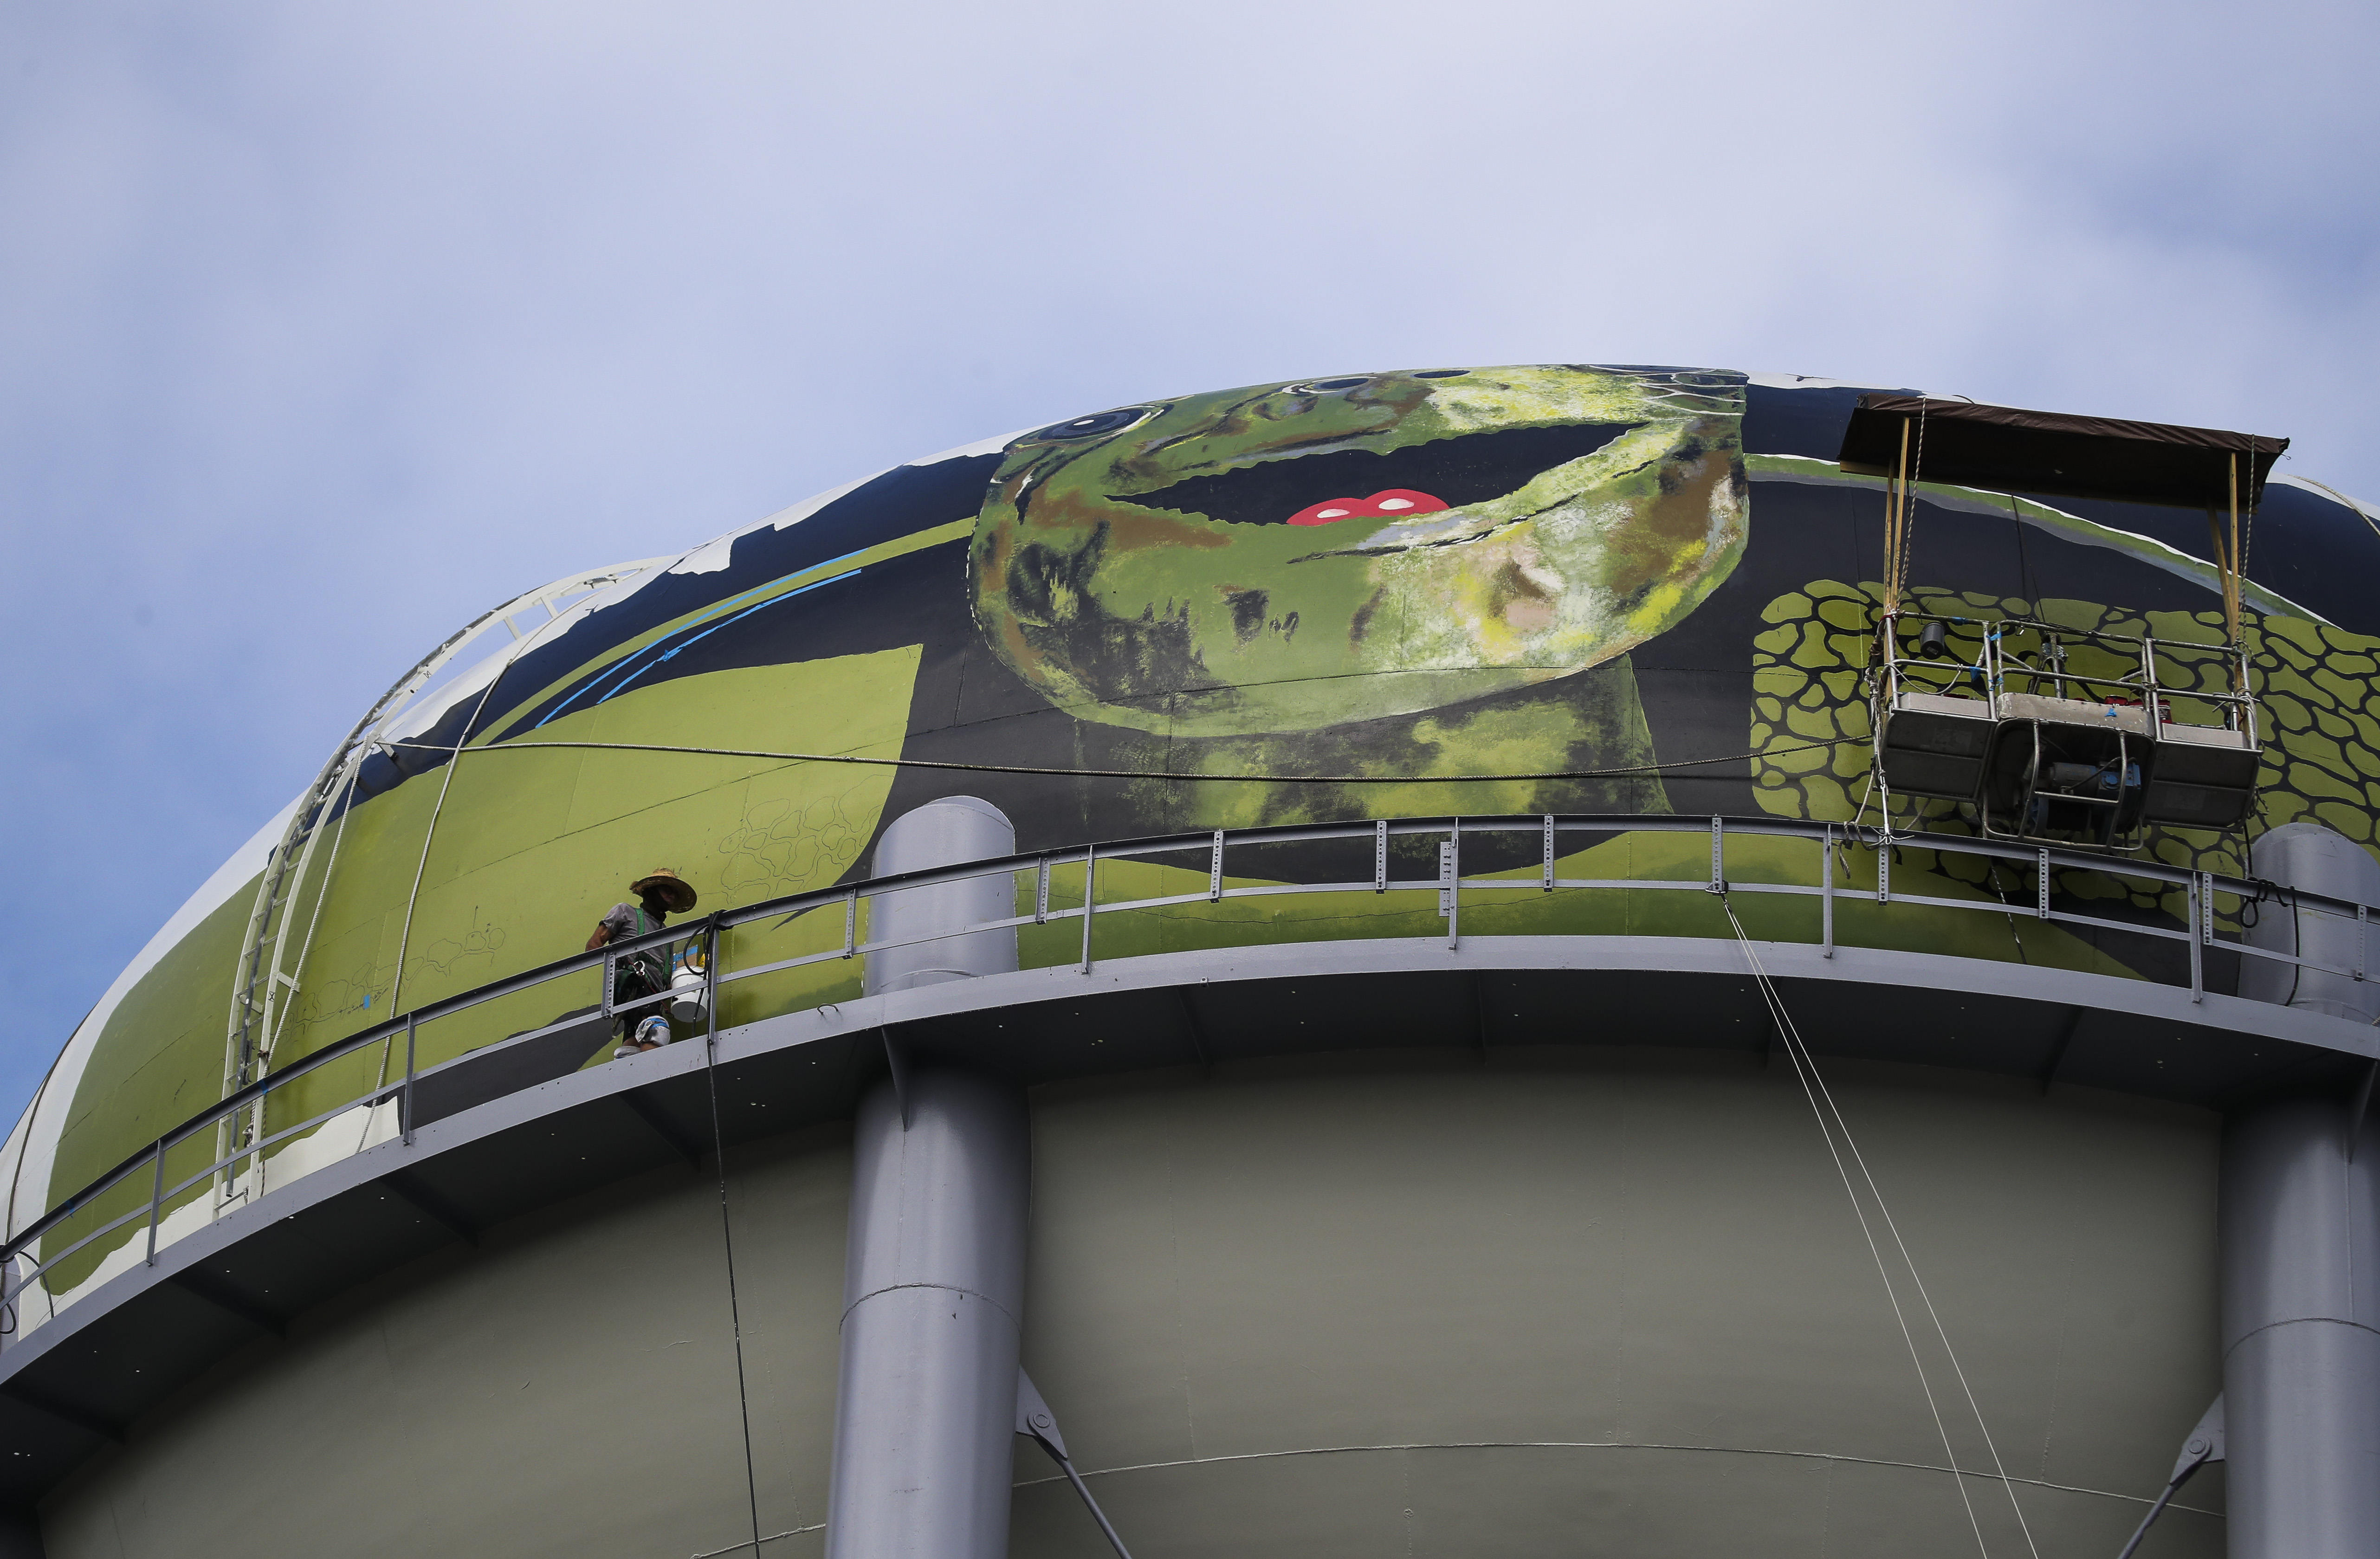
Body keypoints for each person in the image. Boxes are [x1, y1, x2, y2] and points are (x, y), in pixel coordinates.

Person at [588, 869, 698, 1059]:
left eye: (674, 892)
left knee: (633, 1038)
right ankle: (651, 1073)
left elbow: (665, 975)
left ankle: (628, 1073)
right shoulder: (625, 912)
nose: (671, 896)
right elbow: (593, 945)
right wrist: (615, 969)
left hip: (653, 993)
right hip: (631, 981)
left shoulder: (666, 934)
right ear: (651, 891)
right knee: (656, 1030)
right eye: (666, 889)